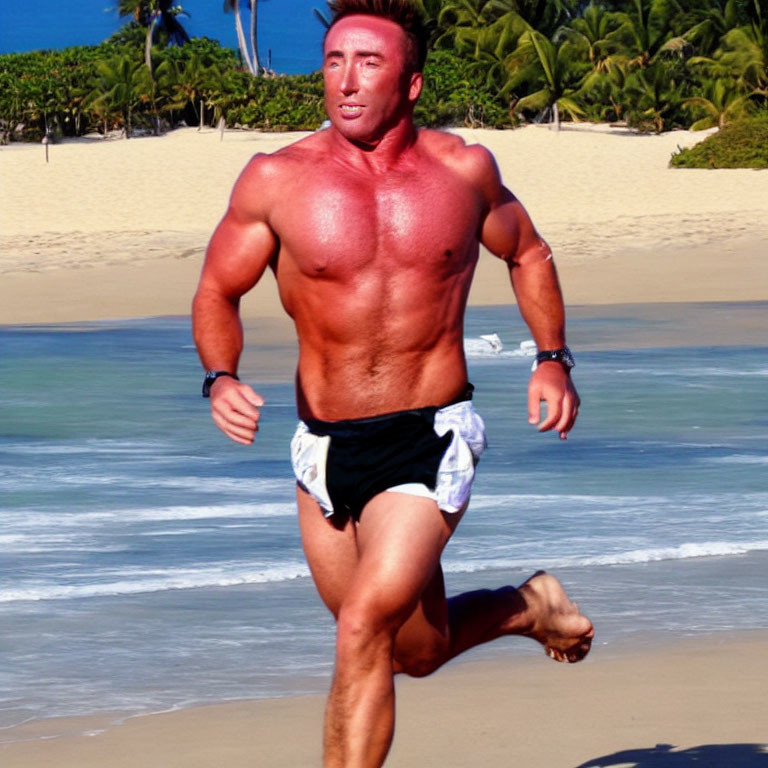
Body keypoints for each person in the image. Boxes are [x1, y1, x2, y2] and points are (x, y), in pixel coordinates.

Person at [192, 1, 594, 765]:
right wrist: (219, 377)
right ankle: (529, 604)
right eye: (334, 61)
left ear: (410, 83)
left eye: (368, 63)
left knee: (360, 629)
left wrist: (552, 357)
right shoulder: (276, 181)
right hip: (324, 448)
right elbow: (217, 289)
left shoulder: (462, 171)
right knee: (411, 648)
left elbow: (529, 252)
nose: (345, 80)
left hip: (430, 436)